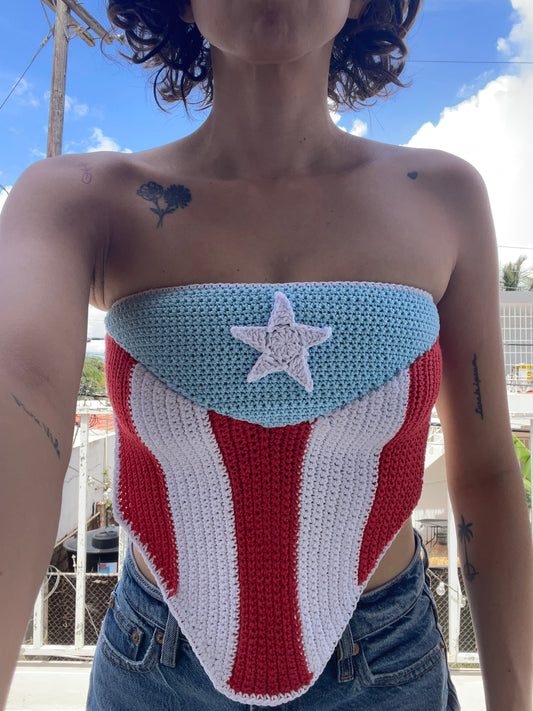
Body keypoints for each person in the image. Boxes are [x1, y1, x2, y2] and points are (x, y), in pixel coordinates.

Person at [1, 0, 532, 708]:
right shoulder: (79, 202)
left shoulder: (444, 197)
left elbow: (488, 474)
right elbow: (21, 397)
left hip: (387, 667)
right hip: (153, 669)